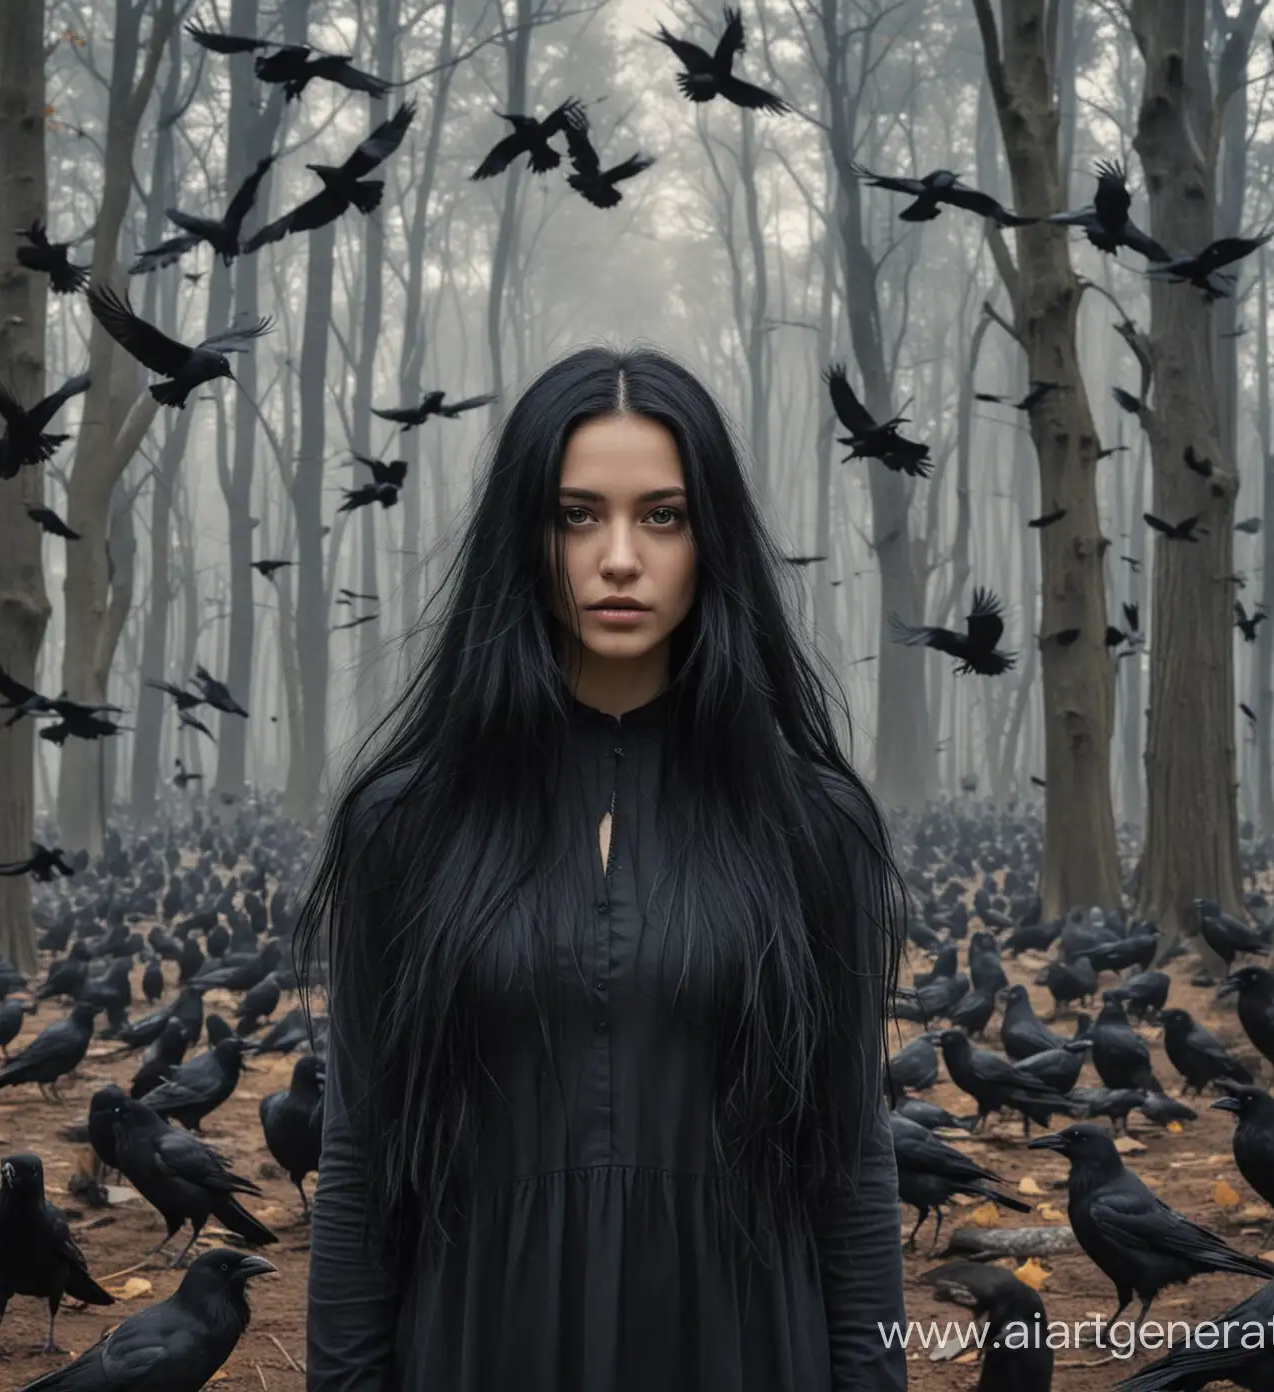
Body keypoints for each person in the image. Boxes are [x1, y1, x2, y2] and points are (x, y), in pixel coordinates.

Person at [294, 344, 909, 1390]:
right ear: (523, 540)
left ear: (710, 539)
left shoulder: (815, 826)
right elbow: (359, 1164)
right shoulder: (407, 824)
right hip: (483, 1344)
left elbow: (851, 1170)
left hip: (747, 1345)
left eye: (661, 516)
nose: (618, 556)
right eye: (577, 515)